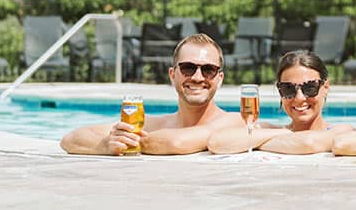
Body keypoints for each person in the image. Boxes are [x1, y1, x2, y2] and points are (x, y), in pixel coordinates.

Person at [60, 33, 244, 155]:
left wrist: (130, 143)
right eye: (187, 68)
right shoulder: (155, 124)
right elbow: (70, 139)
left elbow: (176, 143)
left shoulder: (233, 121)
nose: (197, 77)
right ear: (172, 75)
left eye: (208, 70)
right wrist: (106, 145)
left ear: (219, 78)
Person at [208, 50, 353, 155]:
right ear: (280, 91)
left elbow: (308, 143)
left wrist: (253, 142)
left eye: (310, 88)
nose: (299, 98)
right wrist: (285, 133)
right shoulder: (272, 129)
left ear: (325, 87)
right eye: (288, 88)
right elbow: (217, 142)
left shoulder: (342, 131)